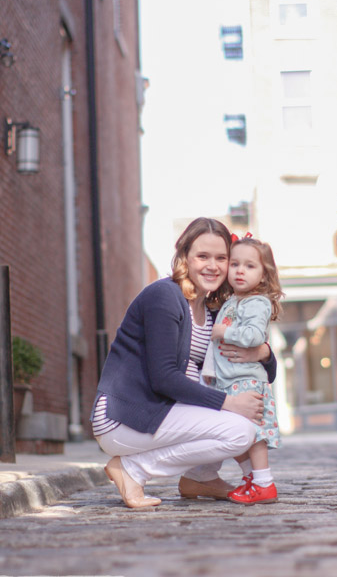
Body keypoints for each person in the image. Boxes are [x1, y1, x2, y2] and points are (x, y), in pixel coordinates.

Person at [90, 217, 277, 509]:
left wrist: (263, 353)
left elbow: (265, 369)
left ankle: (200, 478)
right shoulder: (164, 297)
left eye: (221, 258)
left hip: (164, 411)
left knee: (229, 411)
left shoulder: (214, 310)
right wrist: (229, 402)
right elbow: (164, 378)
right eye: (202, 256)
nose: (212, 266)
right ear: (184, 256)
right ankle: (132, 470)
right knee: (240, 430)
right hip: (126, 415)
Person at [206, 237, 283, 504]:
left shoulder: (257, 302)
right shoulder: (232, 300)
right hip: (229, 380)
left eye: (250, 266)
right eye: (235, 264)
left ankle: (264, 482)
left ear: (264, 274)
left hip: (247, 379)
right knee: (237, 434)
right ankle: (252, 477)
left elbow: (253, 336)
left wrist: (223, 330)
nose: (240, 270)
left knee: (254, 436)